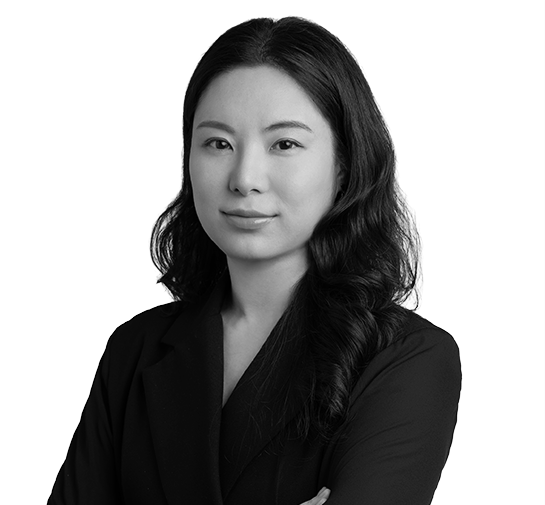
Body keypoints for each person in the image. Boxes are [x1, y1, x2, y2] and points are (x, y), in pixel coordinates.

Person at [49, 16, 461, 505]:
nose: (244, 178)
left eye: (285, 144)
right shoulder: (135, 350)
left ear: (345, 164)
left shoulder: (407, 360)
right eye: (217, 143)